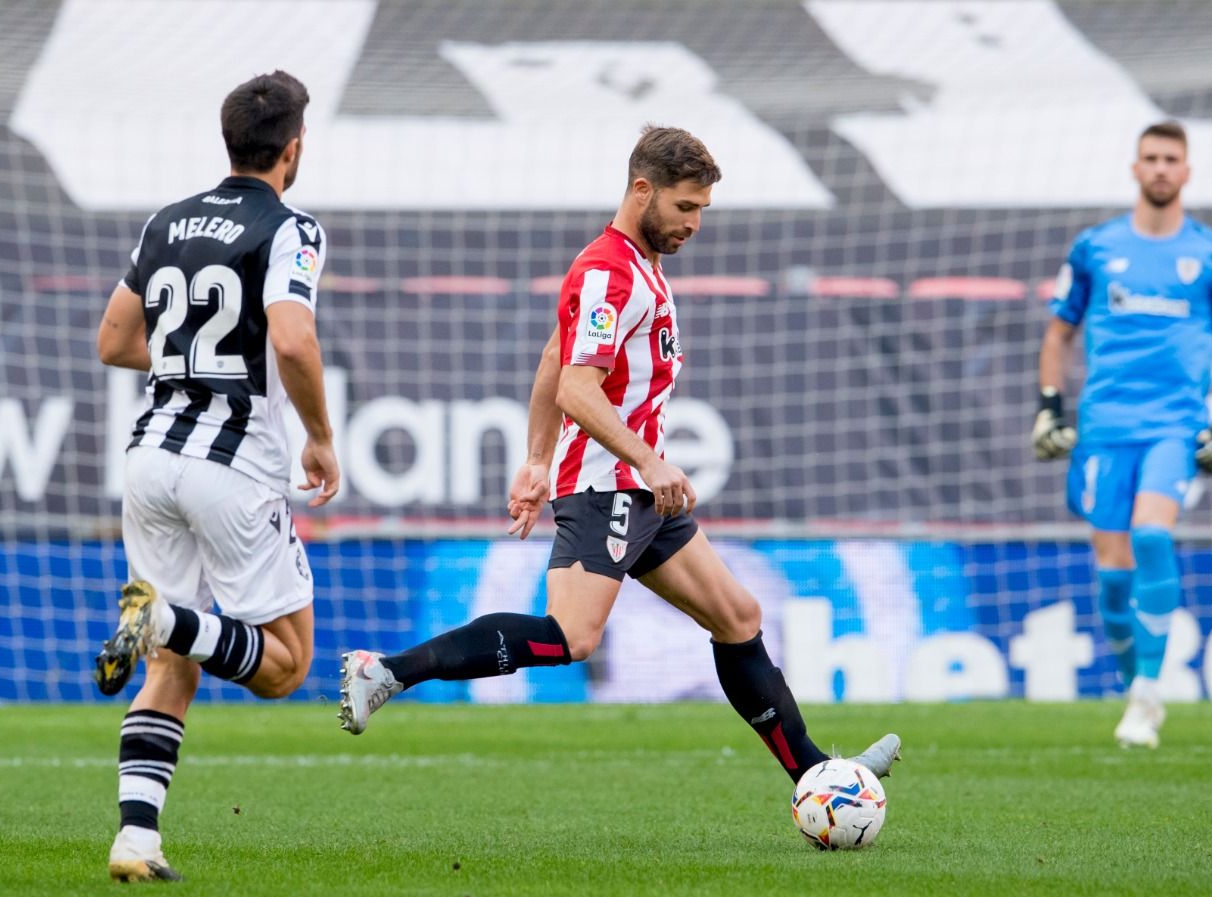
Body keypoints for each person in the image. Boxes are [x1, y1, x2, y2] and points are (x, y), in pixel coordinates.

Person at [338, 125, 899, 789]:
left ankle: (816, 776)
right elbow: (578, 386)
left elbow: (554, 358)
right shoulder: (608, 272)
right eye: (685, 207)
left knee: (739, 617)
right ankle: (387, 670)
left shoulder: (640, 269)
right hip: (611, 486)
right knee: (572, 637)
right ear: (643, 189)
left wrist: (537, 460)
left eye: (702, 211)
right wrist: (646, 461)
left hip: (640, 490)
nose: (694, 224)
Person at [91, 70, 340, 882]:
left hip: (151, 455)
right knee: (285, 664)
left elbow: (113, 340)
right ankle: (163, 615)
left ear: (228, 140)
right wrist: (321, 437)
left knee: (174, 663)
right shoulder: (290, 225)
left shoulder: (167, 220)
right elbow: (295, 340)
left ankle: (136, 839)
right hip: (230, 467)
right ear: (293, 149)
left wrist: (190, 359)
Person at [1032, 120, 1212, 749]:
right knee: (1113, 575)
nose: (1160, 168)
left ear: (1186, 171)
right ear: (1135, 168)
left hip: (1172, 426)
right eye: (1150, 157)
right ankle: (1137, 694)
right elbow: (1056, 336)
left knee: (1153, 536)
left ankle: (1149, 690)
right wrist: (1049, 409)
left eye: (1171, 159)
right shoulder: (1096, 248)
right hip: (1104, 428)